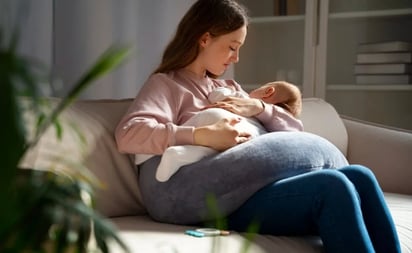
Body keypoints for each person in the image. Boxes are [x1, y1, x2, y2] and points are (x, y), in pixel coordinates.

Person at [115, 0, 401, 252]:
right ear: (204, 39)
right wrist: (202, 135)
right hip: (210, 197)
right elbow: (129, 133)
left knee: (360, 175)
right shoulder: (167, 85)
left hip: (251, 186)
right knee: (333, 185)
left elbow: (292, 138)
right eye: (232, 47)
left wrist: (260, 107)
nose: (235, 58)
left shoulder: (229, 87)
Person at [149, 81, 302, 182]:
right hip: (224, 124)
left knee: (212, 148)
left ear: (268, 91)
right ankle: (180, 154)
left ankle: (178, 153)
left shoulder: (243, 98)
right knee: (211, 150)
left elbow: (216, 94)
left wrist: (256, 104)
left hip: (218, 122)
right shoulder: (263, 123)